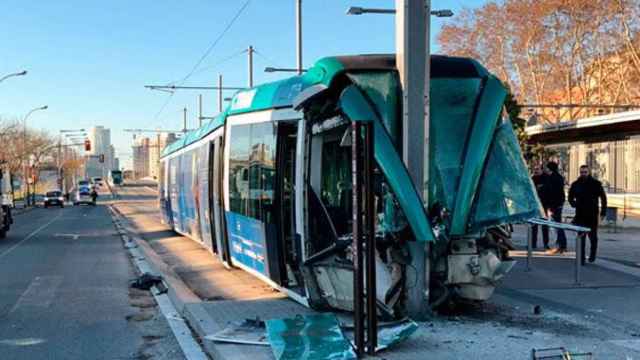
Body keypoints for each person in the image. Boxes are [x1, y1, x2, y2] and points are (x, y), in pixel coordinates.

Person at [568, 165, 607, 264]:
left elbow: (603, 198)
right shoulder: (576, 184)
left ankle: (592, 255)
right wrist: (574, 204)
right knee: (581, 237)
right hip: (580, 214)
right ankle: (581, 258)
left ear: (589, 172)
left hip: (592, 214)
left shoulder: (596, 184)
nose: (583, 174)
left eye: (585, 172)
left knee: (593, 237)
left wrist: (603, 212)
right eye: (581, 172)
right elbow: (570, 196)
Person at [542, 161, 568, 254]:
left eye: (546, 168)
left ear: (550, 169)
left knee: (555, 226)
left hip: (554, 205)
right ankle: (563, 245)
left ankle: (559, 246)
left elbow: (552, 193)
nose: (545, 170)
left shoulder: (552, 178)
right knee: (558, 225)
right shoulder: (559, 177)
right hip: (558, 204)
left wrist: (550, 207)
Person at [530, 165, 549, 249]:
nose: (535, 171)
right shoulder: (532, 179)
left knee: (545, 226)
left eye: (537, 169)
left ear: (541, 170)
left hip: (544, 206)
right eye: (534, 169)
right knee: (534, 226)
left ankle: (545, 244)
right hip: (534, 206)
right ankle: (533, 243)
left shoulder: (546, 178)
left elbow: (549, 191)